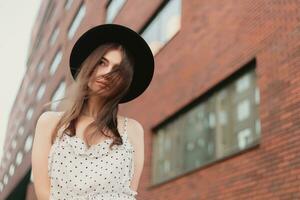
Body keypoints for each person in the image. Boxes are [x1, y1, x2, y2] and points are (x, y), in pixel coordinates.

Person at [31, 24, 155, 200]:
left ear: (125, 81)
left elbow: (129, 194)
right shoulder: (49, 122)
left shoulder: (132, 130)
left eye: (117, 70)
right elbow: (43, 193)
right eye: (102, 63)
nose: (107, 73)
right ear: (89, 64)